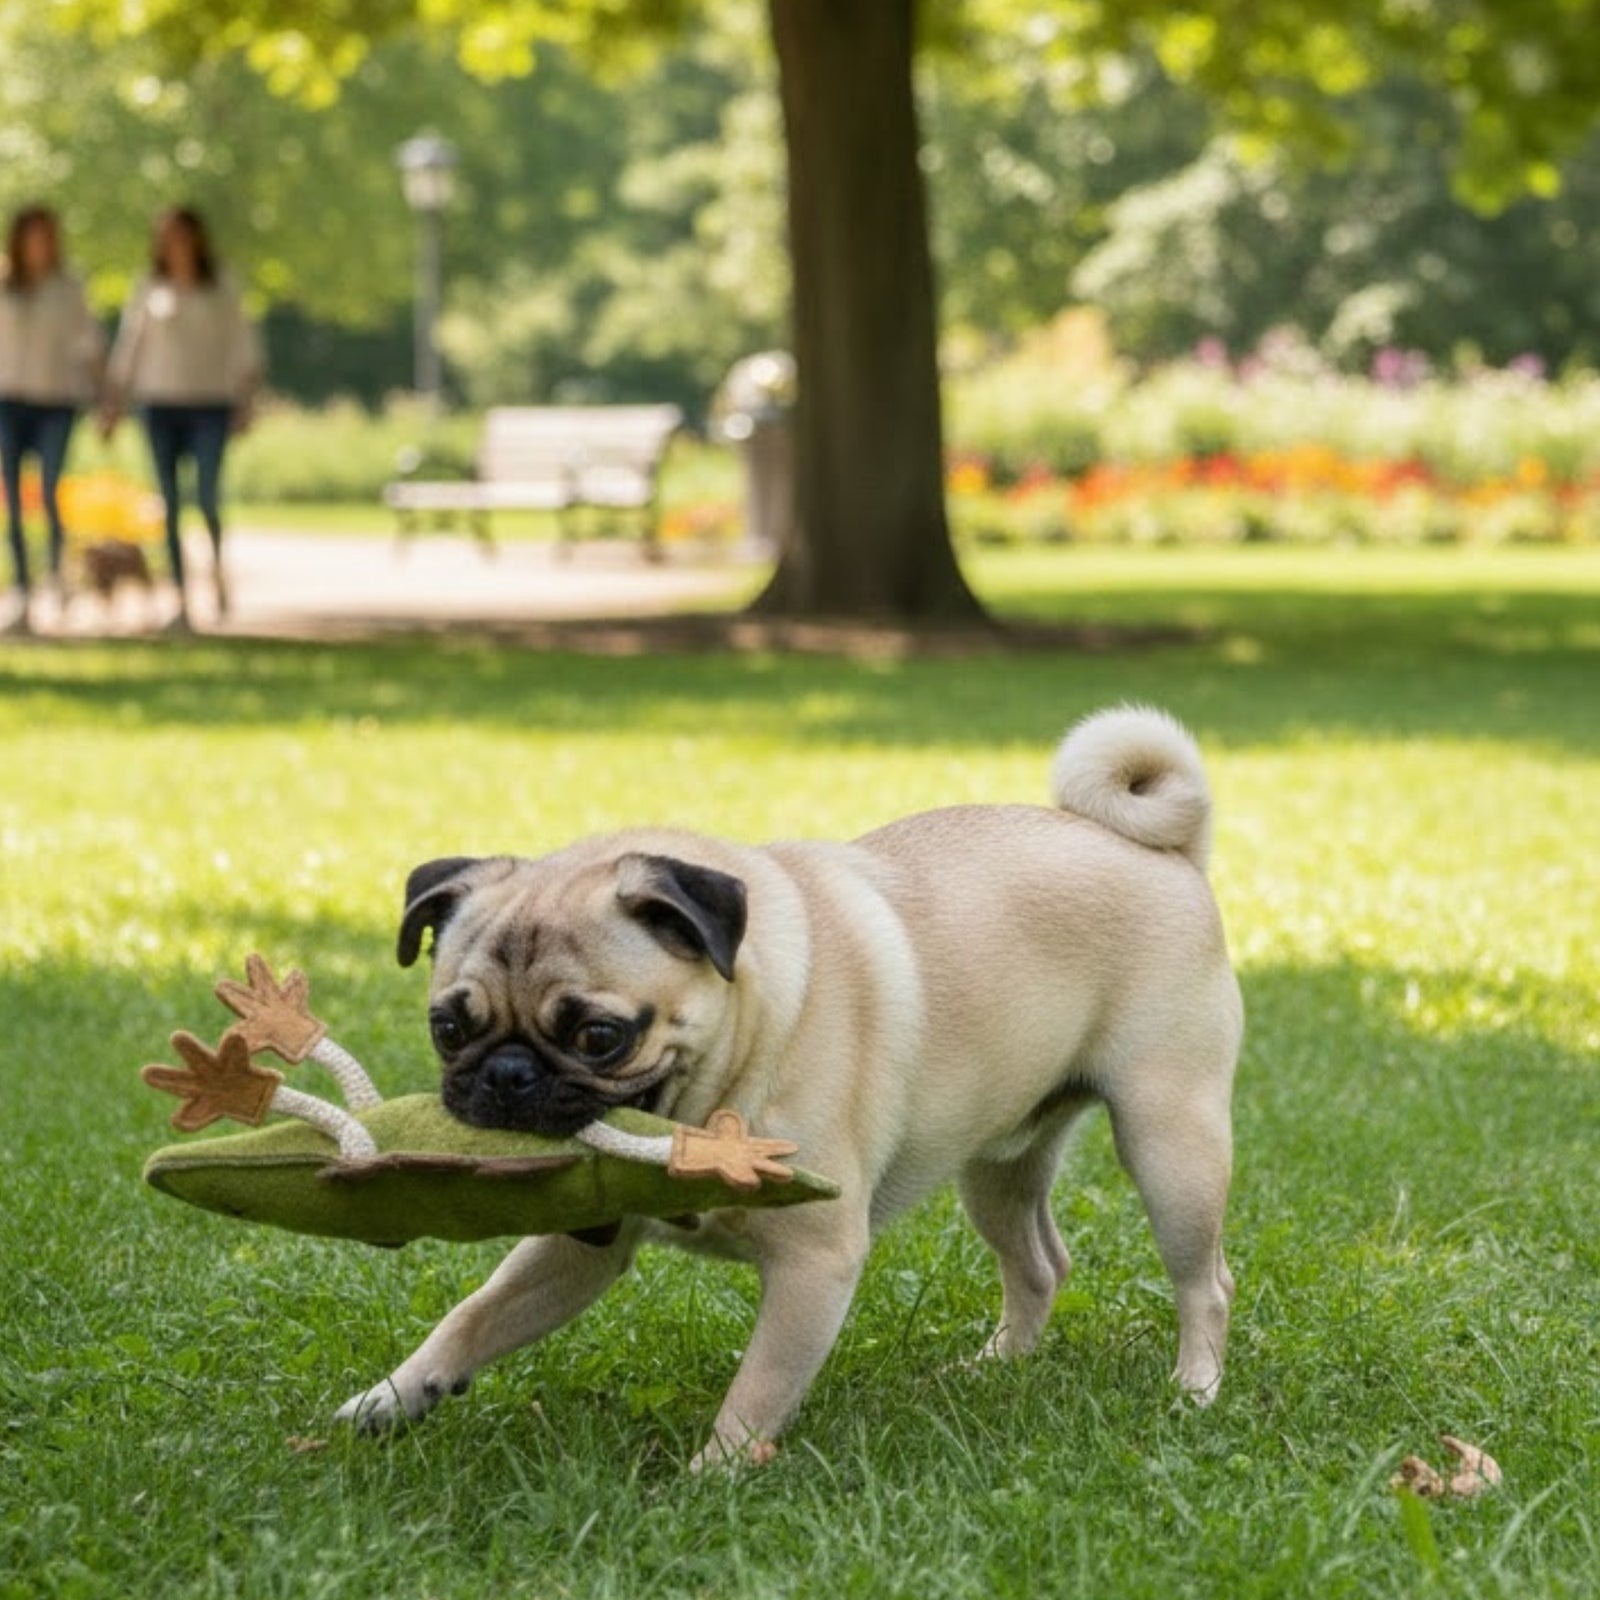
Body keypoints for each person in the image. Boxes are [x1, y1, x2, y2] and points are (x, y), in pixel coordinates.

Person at [102, 207, 261, 630]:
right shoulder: (148, 287)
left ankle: (216, 570)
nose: (174, 244)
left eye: (181, 235)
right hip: (159, 406)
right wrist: (113, 402)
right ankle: (180, 596)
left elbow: (244, 347)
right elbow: (129, 348)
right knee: (169, 502)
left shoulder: (221, 287)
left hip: (211, 404)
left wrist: (247, 400)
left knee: (206, 495)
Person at [0, 205, 104, 635]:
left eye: (47, 235)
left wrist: (107, 395)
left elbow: (91, 345)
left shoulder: (69, 288)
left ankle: (57, 577)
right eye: (33, 236)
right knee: (12, 497)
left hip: (57, 402)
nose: (40, 244)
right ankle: (23, 590)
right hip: (7, 401)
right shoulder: (4, 284)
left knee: (49, 488)